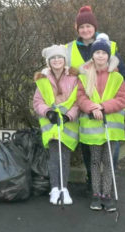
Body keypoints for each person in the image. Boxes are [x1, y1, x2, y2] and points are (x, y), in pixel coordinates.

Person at [65, 5, 125, 190]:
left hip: (109, 107)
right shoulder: (69, 49)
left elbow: (122, 76)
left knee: (110, 148)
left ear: (95, 27)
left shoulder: (110, 46)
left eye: (88, 26)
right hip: (84, 105)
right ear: (77, 29)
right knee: (88, 146)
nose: (85, 30)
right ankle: (93, 182)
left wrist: (107, 105)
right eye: (81, 26)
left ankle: (109, 183)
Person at [77, 34, 125, 212]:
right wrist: (92, 107)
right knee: (94, 161)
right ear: (92, 55)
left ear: (108, 56)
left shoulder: (117, 77)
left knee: (108, 162)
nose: (100, 56)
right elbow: (80, 97)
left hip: (110, 128)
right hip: (92, 128)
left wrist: (103, 106)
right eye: (97, 52)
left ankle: (107, 195)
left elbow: (123, 99)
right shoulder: (84, 76)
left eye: (103, 53)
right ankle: (95, 194)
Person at [33, 45, 79, 205]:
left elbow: (78, 100)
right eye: (53, 58)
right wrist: (48, 112)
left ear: (64, 59)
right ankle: (55, 189)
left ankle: (63, 188)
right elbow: (37, 101)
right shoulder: (43, 79)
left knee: (64, 156)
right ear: (49, 61)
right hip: (50, 123)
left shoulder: (74, 77)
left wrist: (69, 116)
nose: (56, 60)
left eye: (59, 57)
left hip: (68, 124)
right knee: (54, 156)